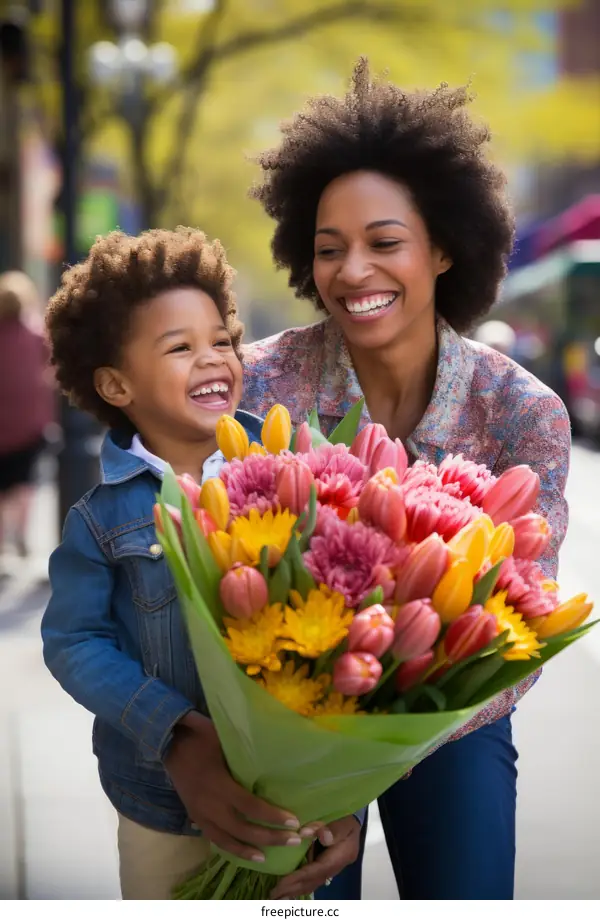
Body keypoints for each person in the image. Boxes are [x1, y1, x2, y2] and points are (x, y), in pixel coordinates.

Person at [241, 59, 571, 900]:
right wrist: (316, 771)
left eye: (384, 243)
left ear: (445, 247)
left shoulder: (522, 415)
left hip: (453, 718)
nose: (353, 272)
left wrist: (367, 767)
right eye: (329, 249)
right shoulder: (253, 391)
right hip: (283, 718)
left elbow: (516, 642)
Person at [41, 228, 361, 900]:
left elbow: (348, 616)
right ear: (115, 383)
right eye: (180, 347)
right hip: (161, 807)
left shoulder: (290, 470)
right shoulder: (100, 520)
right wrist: (175, 727)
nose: (213, 359)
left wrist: (346, 783)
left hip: (295, 802)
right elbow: (74, 641)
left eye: (221, 340)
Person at [0, 271, 54, 563]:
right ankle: (21, 534)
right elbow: (53, 367)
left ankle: (2, 549)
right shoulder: (36, 334)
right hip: (29, 425)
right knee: (24, 484)